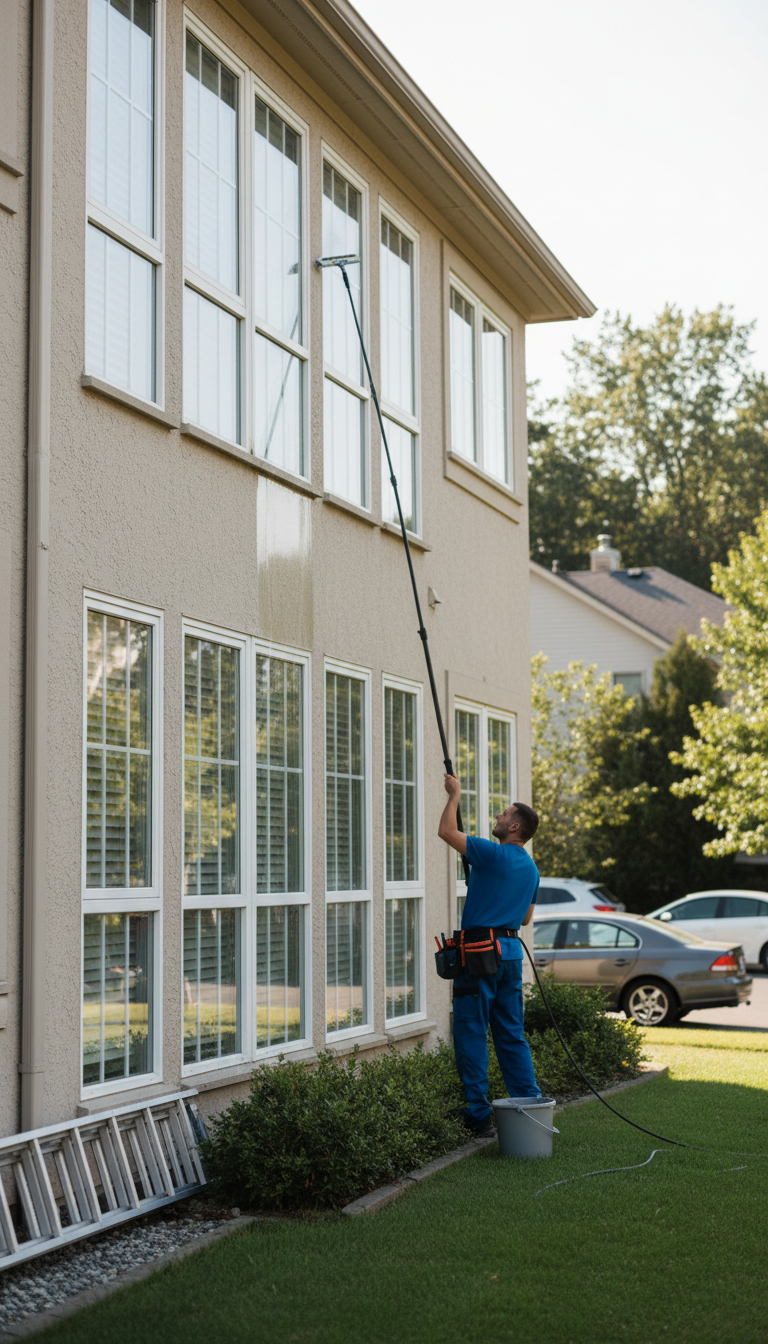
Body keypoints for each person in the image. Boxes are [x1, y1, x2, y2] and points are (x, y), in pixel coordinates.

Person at [438, 773, 542, 1138]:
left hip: (481, 953)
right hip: (511, 955)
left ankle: (478, 1115)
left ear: (514, 826)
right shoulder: (531, 868)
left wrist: (454, 796)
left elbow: (447, 833)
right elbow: (525, 917)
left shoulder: (493, 852)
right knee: (511, 1034)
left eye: (502, 815)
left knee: (471, 1030)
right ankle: (531, 1106)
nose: (497, 819)